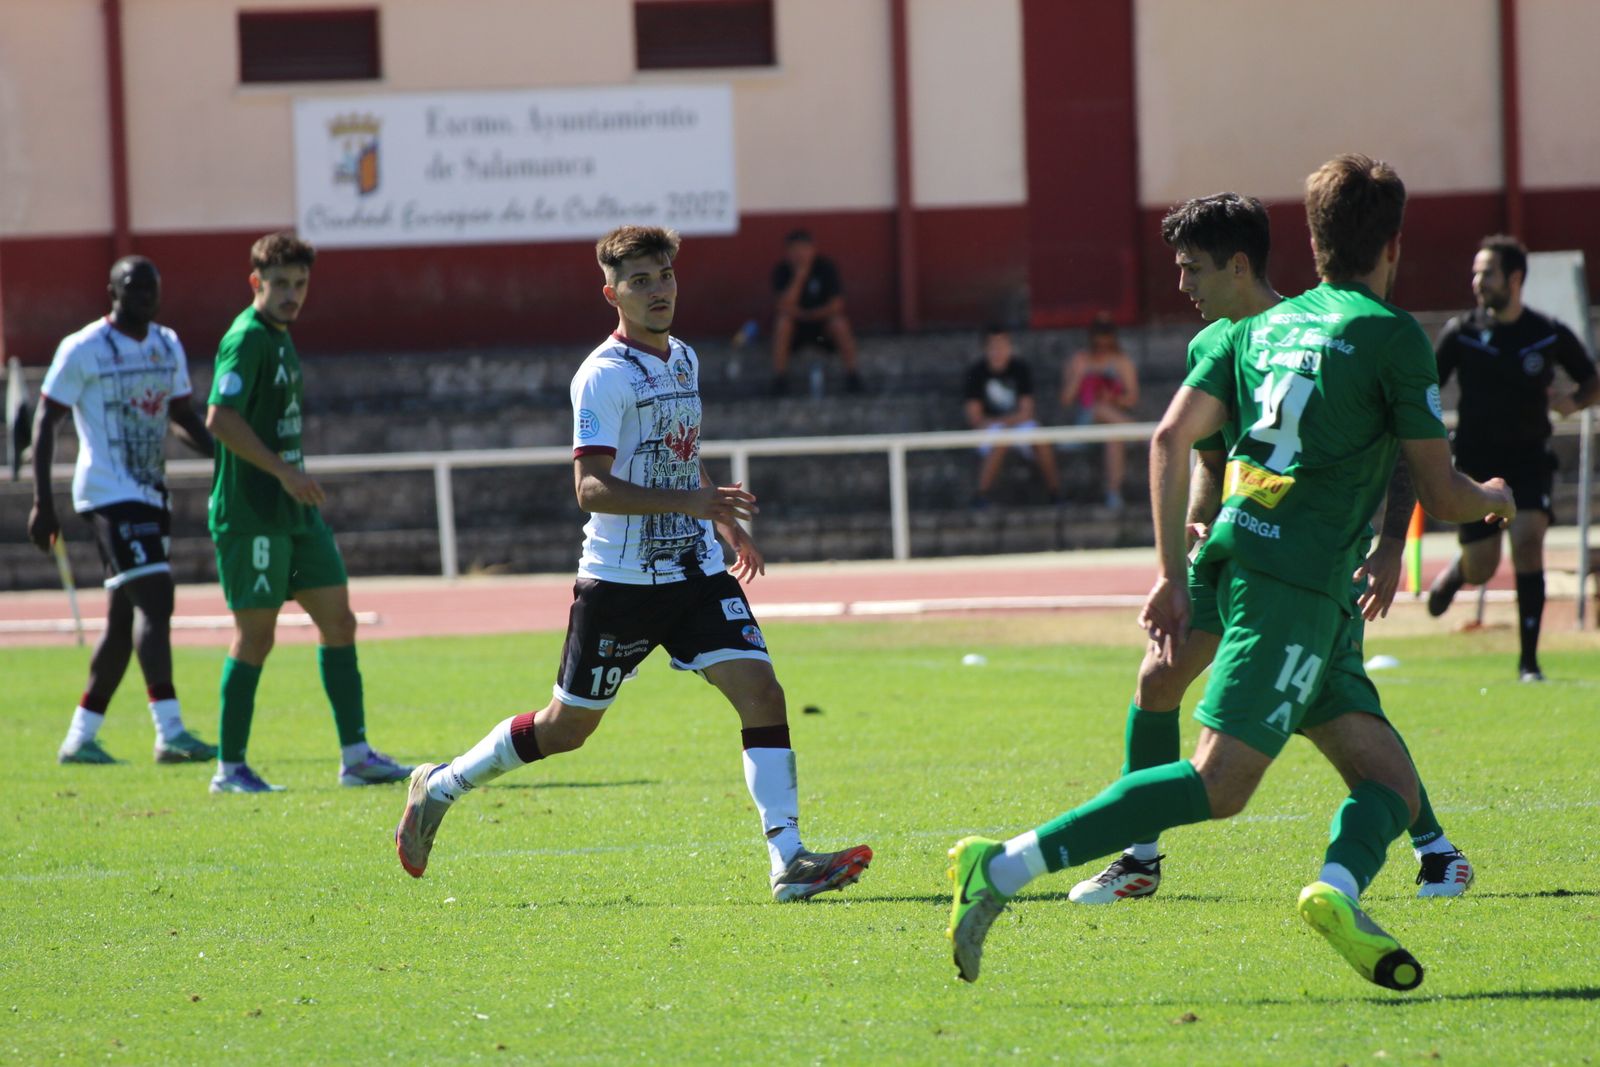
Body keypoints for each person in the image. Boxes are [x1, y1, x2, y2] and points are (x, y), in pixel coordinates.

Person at [946, 154, 1514, 990]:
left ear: (1310, 239)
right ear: (1393, 243)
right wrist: (1496, 497)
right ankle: (1004, 866)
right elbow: (1441, 487)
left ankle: (1338, 889)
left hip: (1271, 573)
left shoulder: (1253, 333)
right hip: (1297, 578)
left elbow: (1172, 439)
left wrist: (1177, 569)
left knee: (1387, 778)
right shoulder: (1392, 336)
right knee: (1219, 785)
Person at [395, 224, 872, 902]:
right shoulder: (601, 375)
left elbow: (680, 449)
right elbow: (590, 487)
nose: (658, 290)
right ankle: (439, 785)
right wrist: (691, 496)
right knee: (566, 729)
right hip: (620, 582)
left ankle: (788, 858)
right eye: (640, 280)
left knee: (762, 692)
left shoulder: (684, 358)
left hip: (695, 571)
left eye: (665, 276)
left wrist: (718, 518)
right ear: (611, 291)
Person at [1069, 193, 1474, 906]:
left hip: (1311, 560)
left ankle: (1435, 846)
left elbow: (1404, 451)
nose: (1183, 286)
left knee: (1342, 713)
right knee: (1159, 677)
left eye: (1193, 269)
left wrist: (1388, 545)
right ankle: (1139, 859)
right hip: (1238, 553)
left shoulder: (1327, 334)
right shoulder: (1214, 346)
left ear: (1238, 265)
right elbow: (1203, 457)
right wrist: (1198, 523)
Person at [204, 231, 410, 794]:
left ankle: (356, 756)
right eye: (281, 284)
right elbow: (219, 418)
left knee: (340, 623)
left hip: (295, 514)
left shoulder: (280, 337)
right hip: (252, 514)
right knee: (255, 637)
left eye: (300, 284)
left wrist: (292, 480)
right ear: (256, 284)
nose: (293, 294)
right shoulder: (246, 339)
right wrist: (285, 472)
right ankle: (229, 769)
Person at [27, 256, 218, 765]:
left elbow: (181, 416)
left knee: (120, 622)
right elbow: (47, 421)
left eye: (153, 286)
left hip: (152, 494)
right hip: (109, 494)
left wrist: (224, 456)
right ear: (112, 290)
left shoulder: (166, 344)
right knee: (157, 598)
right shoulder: (85, 347)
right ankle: (170, 731)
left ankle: (80, 737)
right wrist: (42, 501)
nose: (145, 295)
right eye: (134, 286)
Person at [1426, 235, 1600, 681]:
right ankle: (1460, 570)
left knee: (1527, 541)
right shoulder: (1461, 333)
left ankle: (1529, 663)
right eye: (1476, 272)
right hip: (1476, 466)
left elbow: (1591, 381)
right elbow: (1423, 385)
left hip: (1529, 462)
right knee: (1483, 568)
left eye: (1487, 273)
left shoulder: (1546, 333)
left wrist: (1574, 402)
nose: (1477, 281)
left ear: (1515, 278)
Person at [962, 325, 1062, 506]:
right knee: (1001, 439)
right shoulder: (976, 374)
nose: (999, 351)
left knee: (1041, 438)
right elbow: (975, 418)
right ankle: (980, 496)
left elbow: (1027, 412)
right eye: (994, 346)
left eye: (1003, 345)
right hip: (989, 429)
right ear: (985, 349)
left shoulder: (1020, 369)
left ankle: (1055, 494)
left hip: (1015, 425)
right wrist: (1002, 424)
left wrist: (1006, 423)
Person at [769, 229, 863, 395]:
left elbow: (837, 305)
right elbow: (783, 306)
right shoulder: (782, 271)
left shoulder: (826, 267)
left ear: (813, 249)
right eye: (795, 250)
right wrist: (800, 277)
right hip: (796, 328)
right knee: (783, 324)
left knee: (839, 323)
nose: (800, 255)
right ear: (787, 252)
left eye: (804, 249)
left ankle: (853, 375)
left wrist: (810, 315)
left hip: (822, 326)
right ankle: (780, 379)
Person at [1060, 315, 1139, 508]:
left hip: (1113, 420)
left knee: (1113, 434)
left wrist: (1114, 399)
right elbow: (1065, 400)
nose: (1102, 345)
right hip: (1086, 421)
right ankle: (1139, 433)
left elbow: (1132, 399)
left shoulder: (1121, 362)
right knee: (1098, 409)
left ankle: (1113, 494)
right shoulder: (1079, 360)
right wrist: (1079, 375)